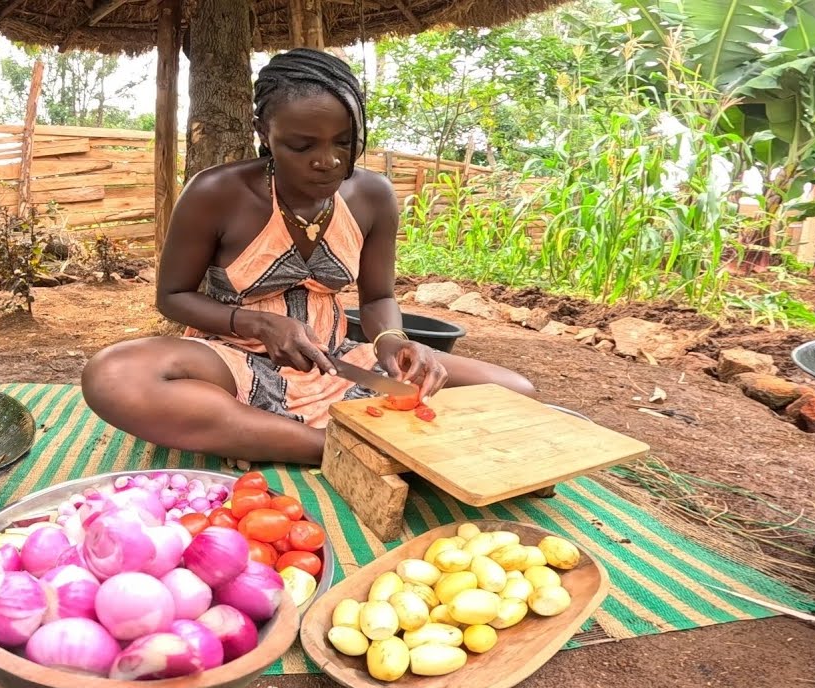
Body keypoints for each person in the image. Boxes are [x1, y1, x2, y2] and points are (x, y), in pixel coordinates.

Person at [82, 48, 535, 466]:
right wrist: (257, 324)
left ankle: (272, 438)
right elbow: (174, 296)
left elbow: (377, 298)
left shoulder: (372, 195)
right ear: (264, 132)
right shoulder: (217, 193)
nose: (329, 161)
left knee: (516, 391)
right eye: (303, 146)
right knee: (114, 376)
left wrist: (395, 345)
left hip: (339, 359)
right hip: (231, 360)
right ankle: (339, 446)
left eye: (344, 143)